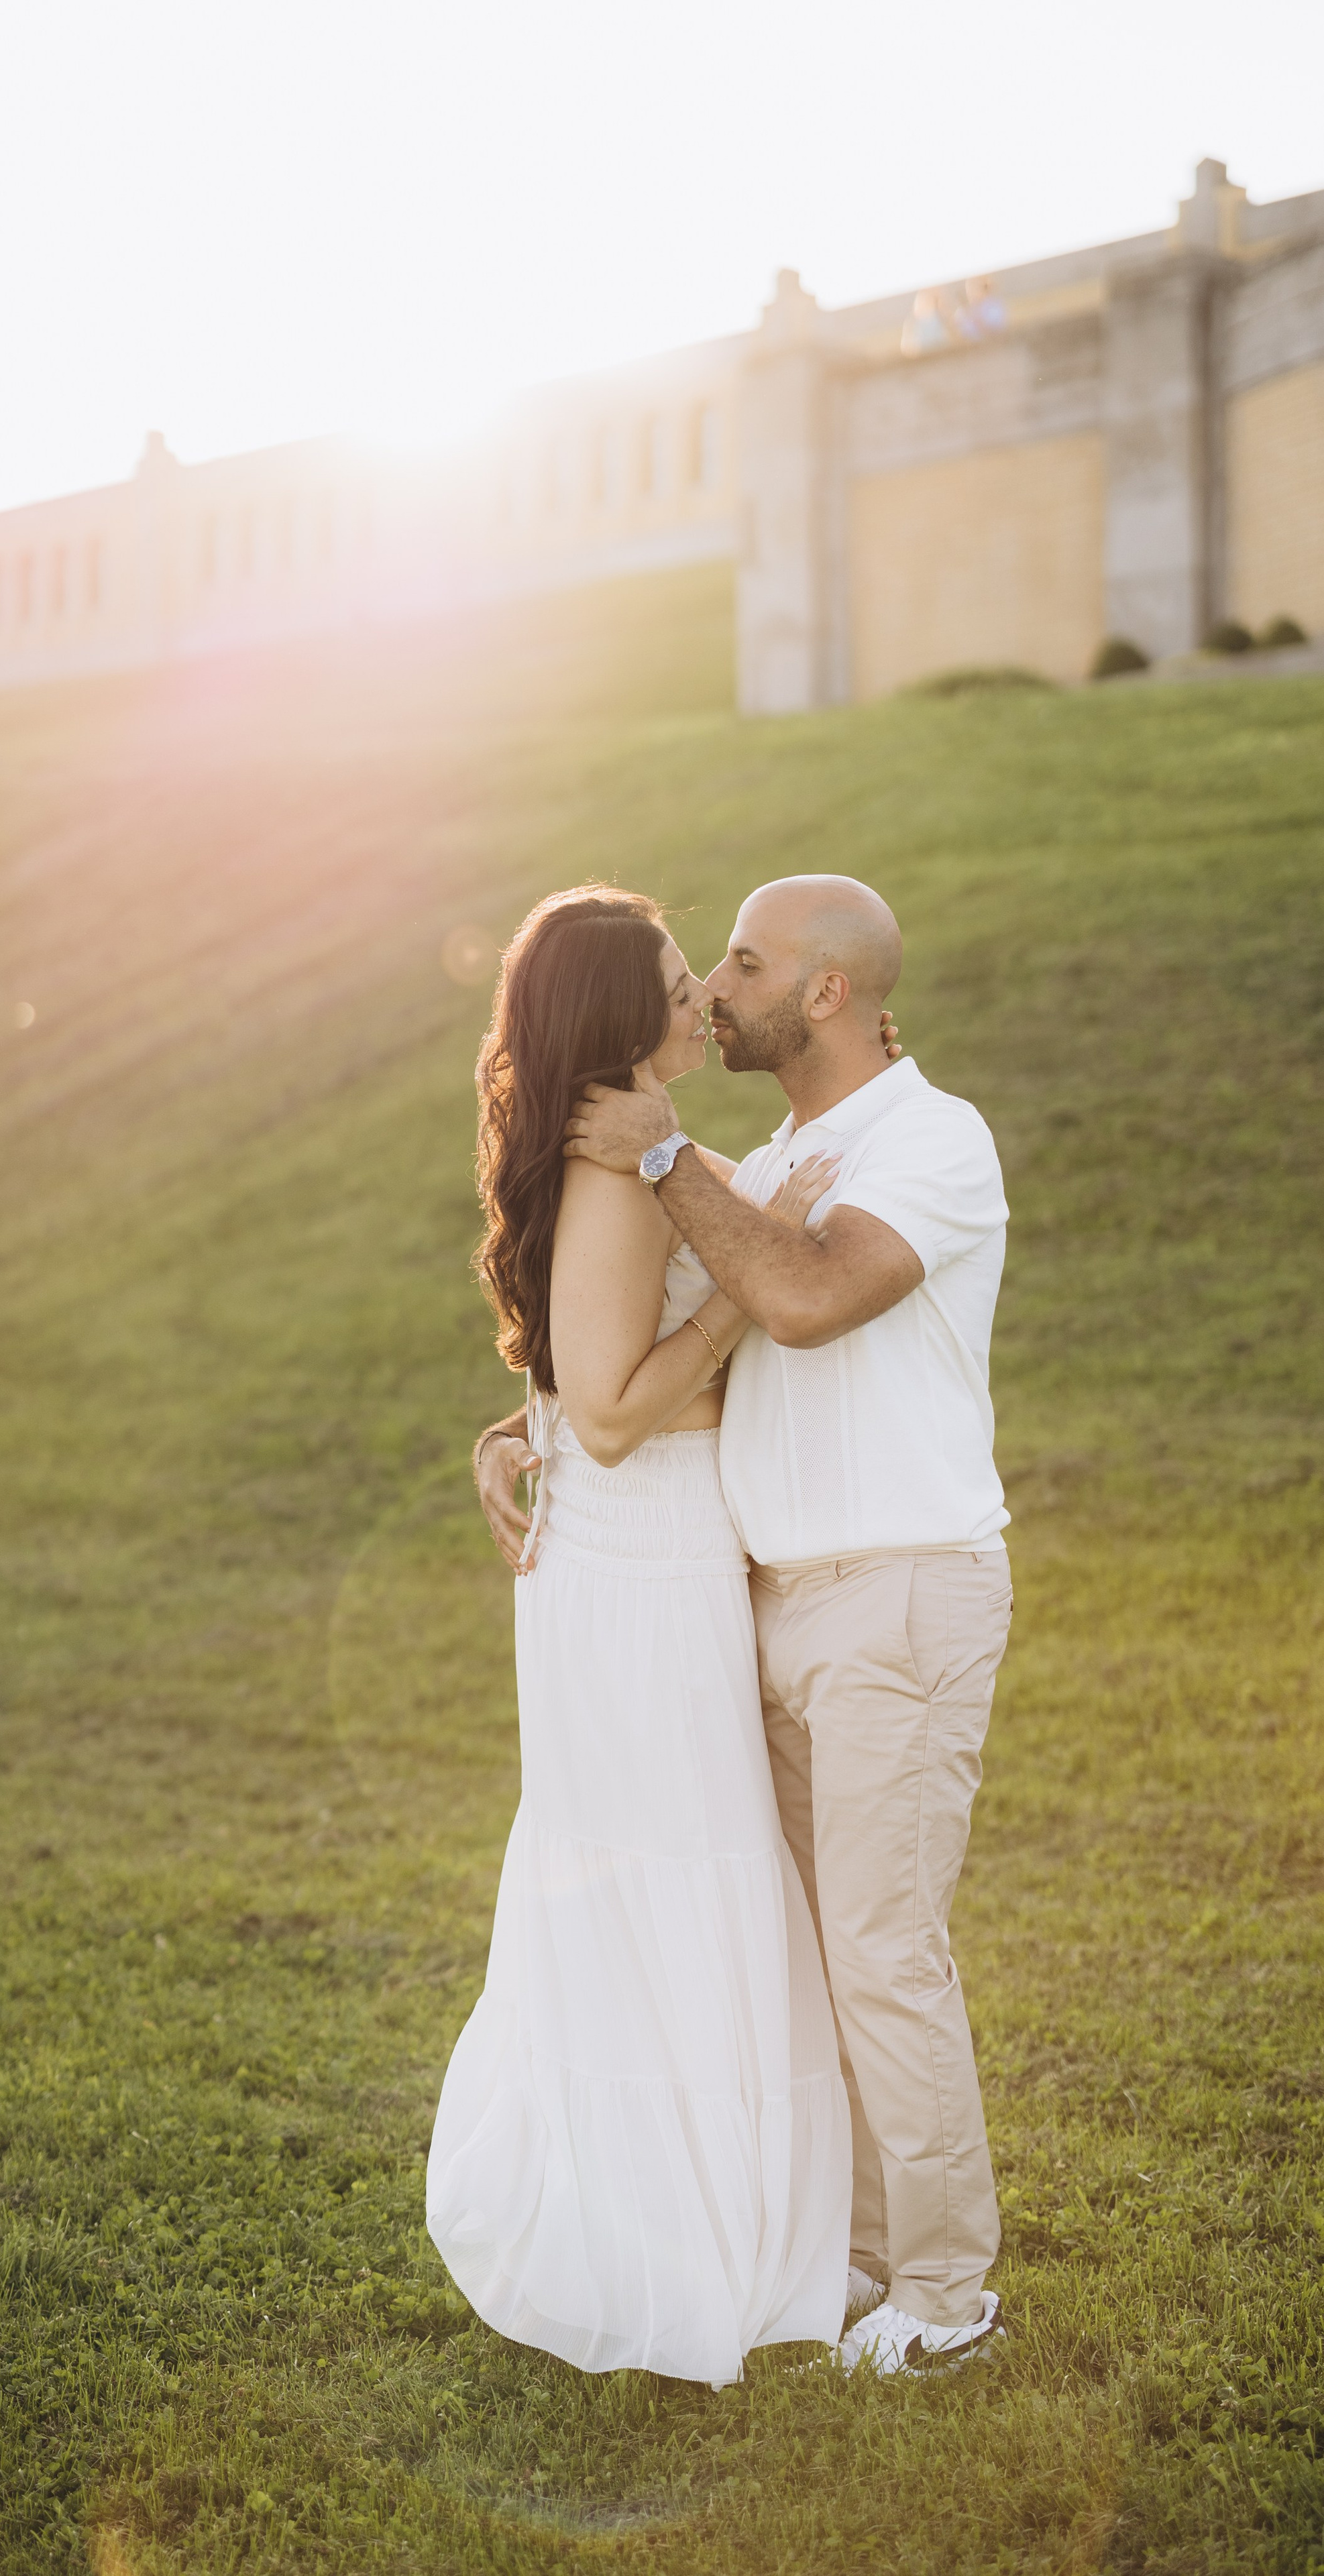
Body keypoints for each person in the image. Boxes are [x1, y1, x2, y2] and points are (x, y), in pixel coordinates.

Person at [477, 874, 1012, 2377]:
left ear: (827, 992)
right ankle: (835, 2254)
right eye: (701, 964)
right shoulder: (773, 1150)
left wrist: (659, 1153)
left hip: (893, 1587)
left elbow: (802, 1297)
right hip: (756, 1599)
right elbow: (642, 1358)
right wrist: (533, 1431)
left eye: (742, 962)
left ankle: (947, 2289)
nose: (711, 989)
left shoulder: (929, 1140)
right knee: (798, 1946)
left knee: (878, 1946)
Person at [427, 886, 858, 2388]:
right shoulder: (612, 1177)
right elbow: (606, 1414)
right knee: (678, 1868)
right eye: (676, 988)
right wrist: (747, 1300)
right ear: (616, 1021)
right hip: (633, 1563)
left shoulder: (639, 1153)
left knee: (694, 1867)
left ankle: (710, 2219)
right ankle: (669, 2238)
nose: (698, 1007)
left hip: (659, 1559)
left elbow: (577, 1385)